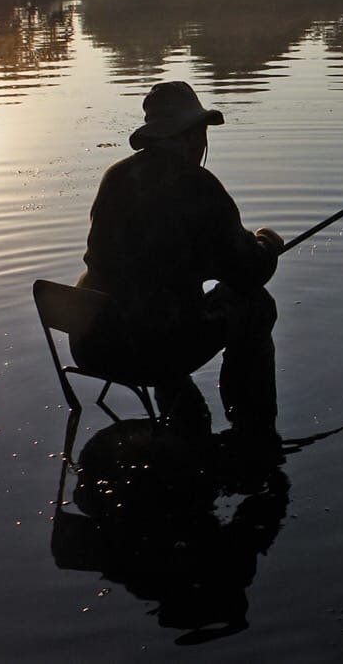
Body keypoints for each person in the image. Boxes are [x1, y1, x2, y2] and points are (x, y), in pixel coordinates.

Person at [74, 81, 284, 434]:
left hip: (93, 344)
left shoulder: (116, 177)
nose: (203, 140)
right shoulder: (197, 185)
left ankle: (181, 410)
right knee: (257, 305)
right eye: (201, 130)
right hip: (148, 351)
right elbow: (247, 273)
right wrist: (268, 245)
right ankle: (252, 430)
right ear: (188, 134)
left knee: (157, 304)